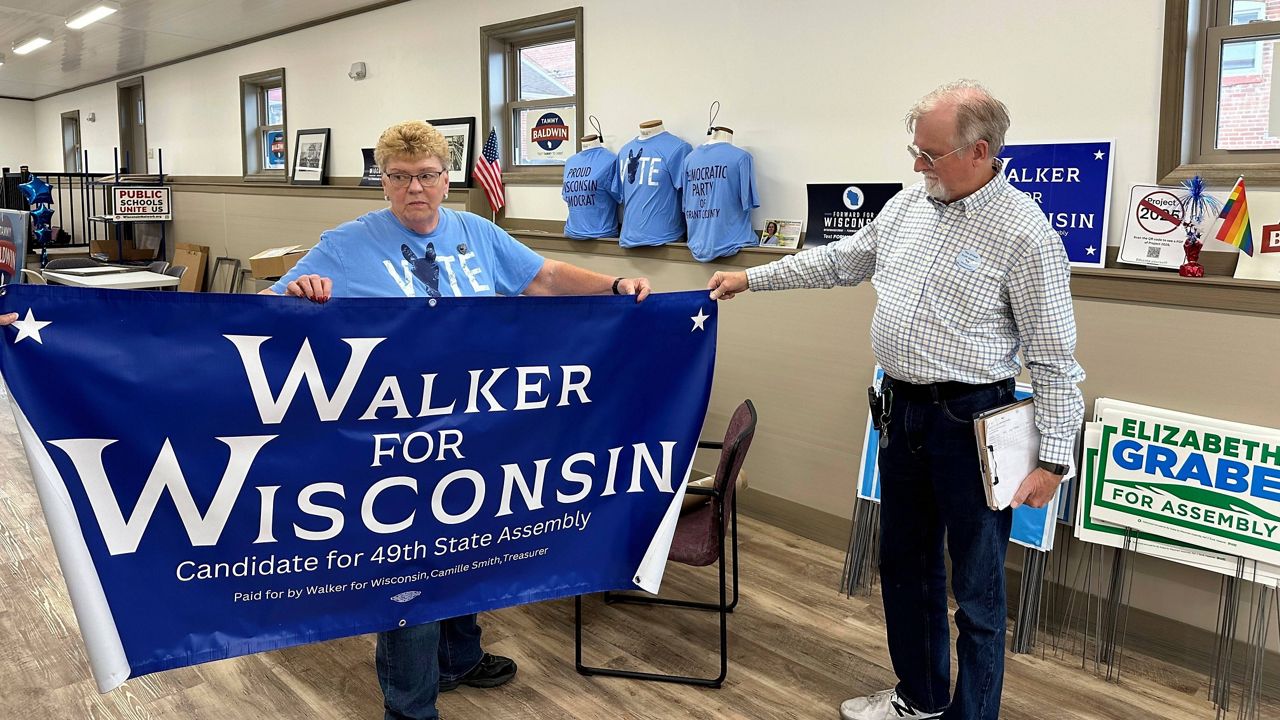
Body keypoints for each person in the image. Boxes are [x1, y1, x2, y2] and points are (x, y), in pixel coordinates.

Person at [707, 80, 1084, 720]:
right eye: (914, 150)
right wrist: (751, 277)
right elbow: (841, 261)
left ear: (980, 151)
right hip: (900, 412)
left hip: (972, 422)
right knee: (905, 567)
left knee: (979, 591)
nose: (916, 165)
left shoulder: (1026, 234)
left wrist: (1053, 459)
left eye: (929, 154)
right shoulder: (908, 206)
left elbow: (1054, 358)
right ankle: (920, 696)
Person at [262, 119, 652, 720]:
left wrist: (616, 284)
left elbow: (543, 277)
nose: (414, 188)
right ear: (383, 181)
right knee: (410, 575)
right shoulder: (346, 243)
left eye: (426, 175)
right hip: (395, 439)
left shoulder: (478, 231)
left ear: (447, 178)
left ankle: (460, 659)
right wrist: (299, 292)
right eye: (399, 177)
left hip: (475, 427)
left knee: (470, 549)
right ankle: (412, 707)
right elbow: (266, 311)